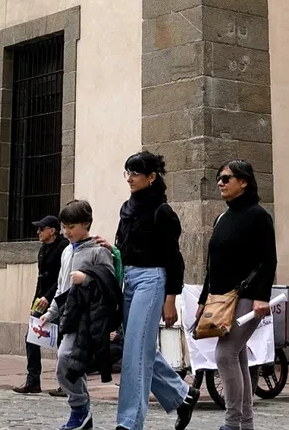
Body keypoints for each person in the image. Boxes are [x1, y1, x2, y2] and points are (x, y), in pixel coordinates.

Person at [112, 150, 197, 430]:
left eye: (135, 173)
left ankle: (129, 422)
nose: (130, 178)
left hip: (153, 279)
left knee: (136, 351)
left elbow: (174, 259)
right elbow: (121, 246)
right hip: (130, 279)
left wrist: (171, 298)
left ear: (151, 177)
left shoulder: (163, 212)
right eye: (128, 172)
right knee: (139, 348)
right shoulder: (127, 207)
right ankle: (182, 396)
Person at [198, 160, 276, 430]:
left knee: (225, 355)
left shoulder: (258, 216)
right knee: (237, 355)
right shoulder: (222, 218)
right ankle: (245, 424)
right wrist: (203, 300)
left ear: (244, 182)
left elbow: (269, 260)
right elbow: (213, 263)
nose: (220, 182)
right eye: (219, 177)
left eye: (227, 178)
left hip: (248, 296)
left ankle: (233, 423)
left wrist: (262, 296)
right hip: (221, 299)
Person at [40, 200, 119, 430]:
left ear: (86, 224)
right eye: (64, 227)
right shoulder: (66, 251)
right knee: (71, 365)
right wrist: (51, 313)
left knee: (65, 361)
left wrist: (87, 279)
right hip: (68, 317)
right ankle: (82, 413)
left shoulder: (98, 252)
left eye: (71, 227)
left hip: (88, 319)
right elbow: (60, 287)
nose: (66, 232)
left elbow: (109, 284)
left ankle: (80, 408)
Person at [15, 214, 66, 396]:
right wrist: (35, 302)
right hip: (42, 302)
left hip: (59, 300)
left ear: (52, 231)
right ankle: (33, 381)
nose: (38, 232)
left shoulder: (63, 248)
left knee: (62, 341)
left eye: (41, 229)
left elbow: (62, 278)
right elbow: (41, 278)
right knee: (31, 337)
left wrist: (49, 296)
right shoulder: (43, 249)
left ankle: (65, 384)